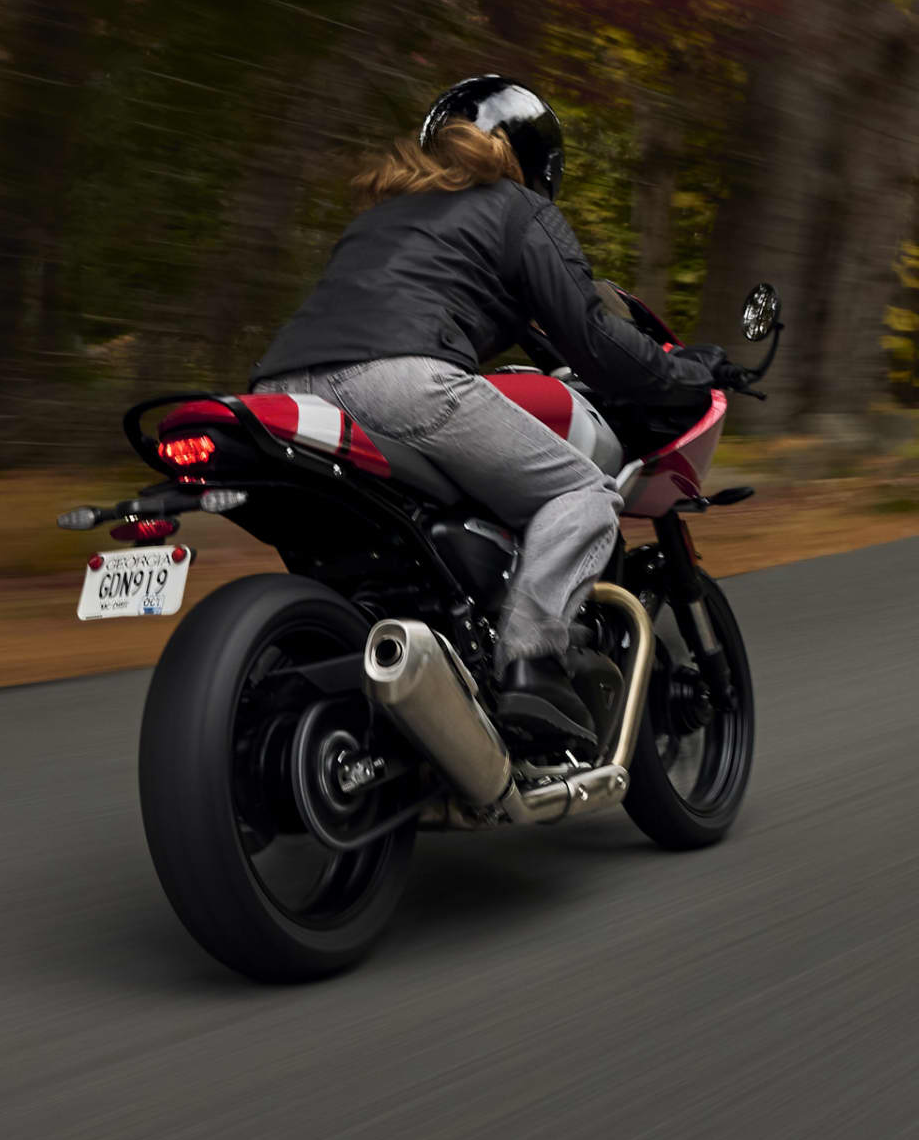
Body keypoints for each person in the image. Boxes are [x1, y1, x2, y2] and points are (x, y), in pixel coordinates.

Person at [254, 75, 717, 754]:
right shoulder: (517, 209)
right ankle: (530, 661)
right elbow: (589, 336)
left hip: (281, 392)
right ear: (539, 163)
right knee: (583, 491)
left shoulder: (380, 217)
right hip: (400, 382)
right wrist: (684, 371)